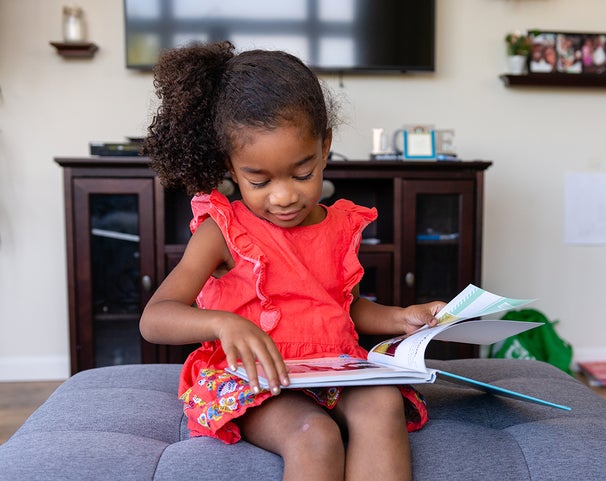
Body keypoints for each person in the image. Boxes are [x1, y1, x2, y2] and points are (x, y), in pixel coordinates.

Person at [139, 41, 445, 481]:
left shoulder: (339, 227)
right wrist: (224, 323)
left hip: (331, 368)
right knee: (314, 435)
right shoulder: (222, 231)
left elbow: (344, 308)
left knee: (382, 401)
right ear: (231, 165)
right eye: (259, 180)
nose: (284, 196)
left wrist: (402, 318)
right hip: (255, 381)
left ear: (325, 148)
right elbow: (155, 318)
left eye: (302, 174)